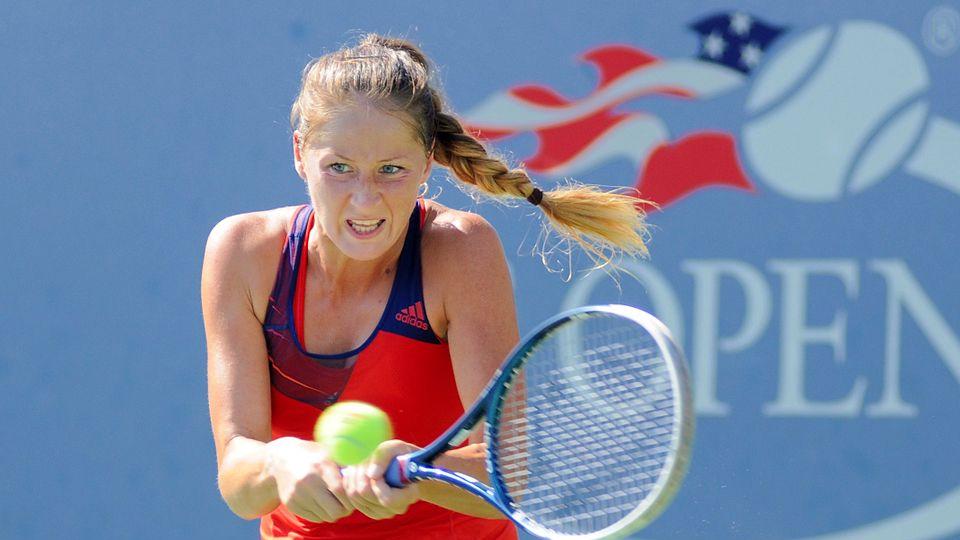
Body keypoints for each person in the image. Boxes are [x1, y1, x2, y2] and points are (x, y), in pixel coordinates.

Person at [201, 34, 649, 540]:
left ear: (427, 163)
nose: (365, 200)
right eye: (340, 168)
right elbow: (240, 485)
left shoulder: (460, 251)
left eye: (391, 170)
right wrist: (280, 460)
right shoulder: (244, 252)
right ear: (301, 153)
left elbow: (508, 476)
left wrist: (419, 469)